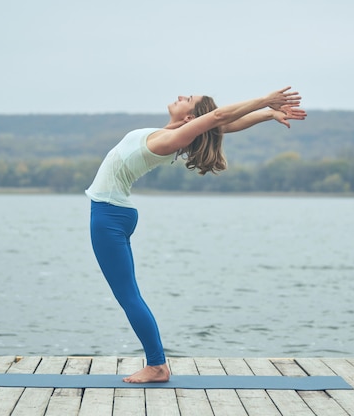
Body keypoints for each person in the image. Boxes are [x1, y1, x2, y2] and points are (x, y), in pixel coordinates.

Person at [86, 87, 306, 383]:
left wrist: (266, 101)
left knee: (128, 296)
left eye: (187, 100)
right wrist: (266, 114)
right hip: (114, 212)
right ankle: (156, 363)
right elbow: (222, 124)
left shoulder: (172, 139)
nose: (180, 96)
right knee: (129, 294)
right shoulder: (175, 133)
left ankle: (157, 366)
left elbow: (218, 117)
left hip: (108, 215)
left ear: (190, 117)